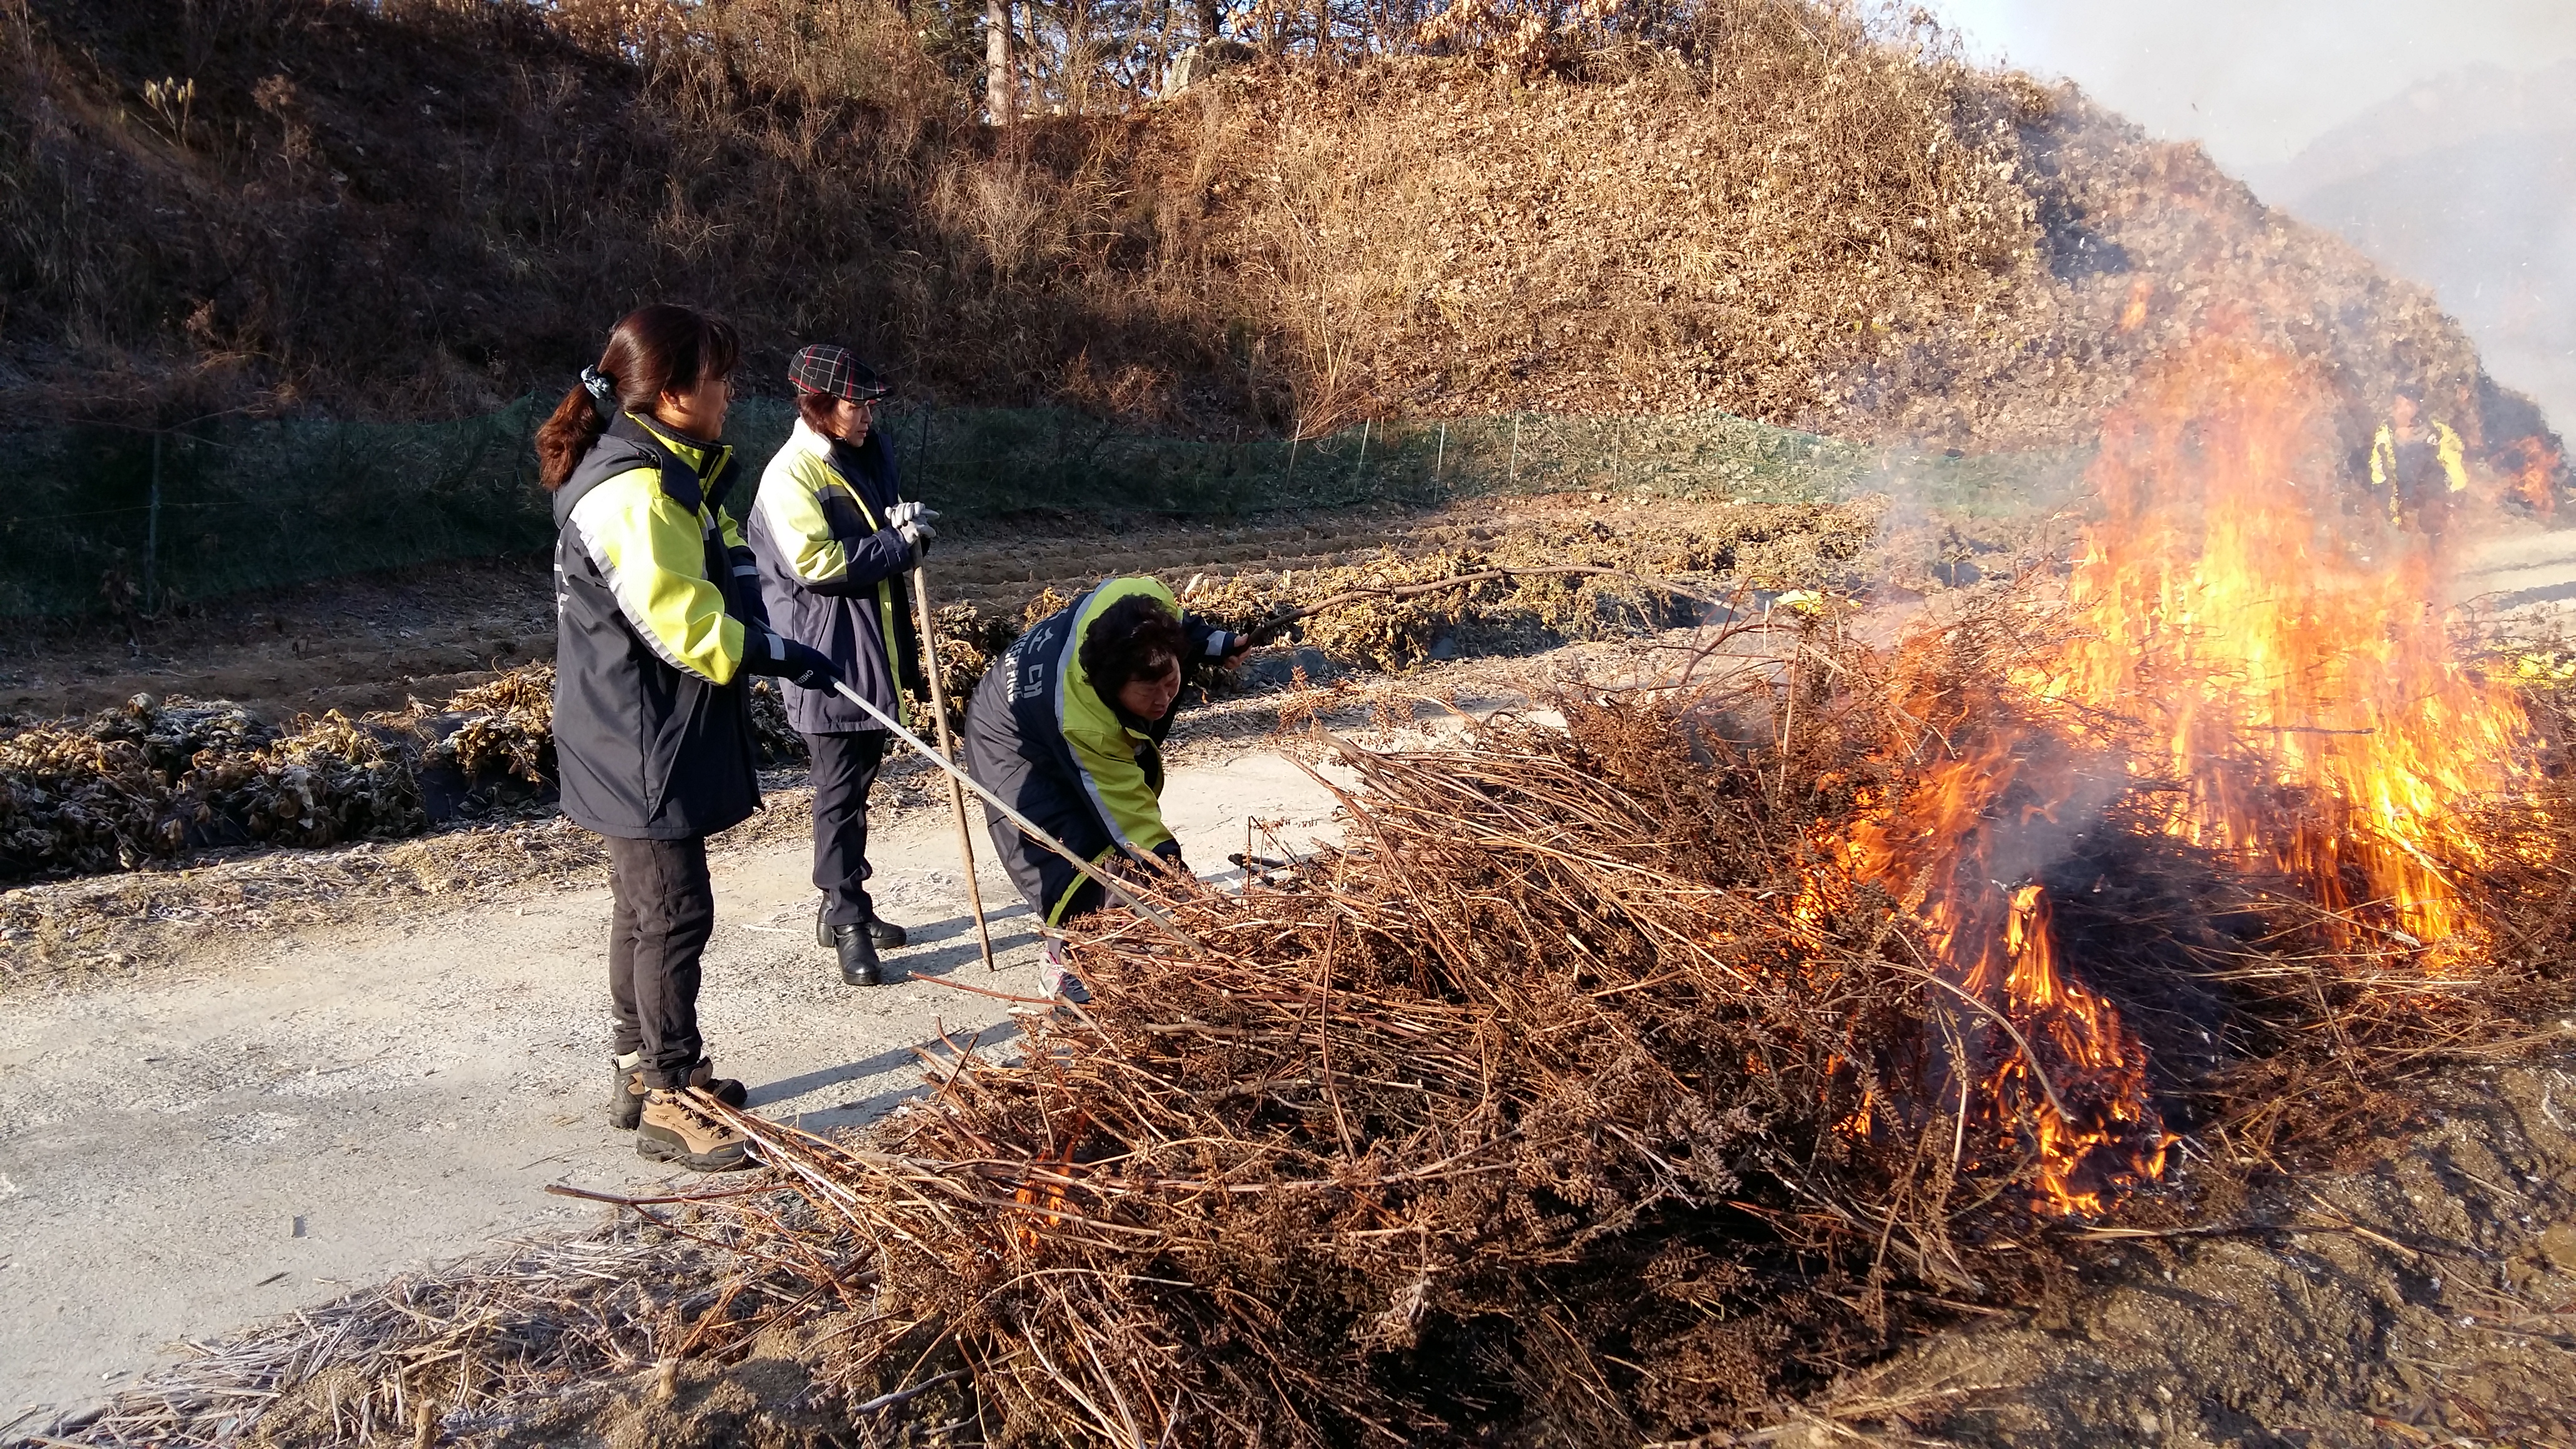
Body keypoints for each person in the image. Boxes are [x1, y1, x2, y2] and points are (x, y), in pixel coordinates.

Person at [535, 304, 842, 1173]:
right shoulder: (633, 488)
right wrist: (775, 651)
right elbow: (678, 622)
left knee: (643, 907)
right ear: (672, 393)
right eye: (720, 378)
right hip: (638, 737)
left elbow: (708, 549)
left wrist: (746, 583)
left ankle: (641, 1068)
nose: (731, 392)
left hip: (623, 727)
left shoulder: (658, 465)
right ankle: (671, 1097)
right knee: (674, 911)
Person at [746, 344, 939, 987]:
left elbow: (882, 528)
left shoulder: (867, 452)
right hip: (823, 654)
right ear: (820, 406)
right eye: (858, 406)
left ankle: (842, 905)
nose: (868, 417)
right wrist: (896, 544)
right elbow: (818, 565)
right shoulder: (791, 475)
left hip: (871, 645)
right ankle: (847, 919)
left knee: (855, 787)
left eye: (871, 406)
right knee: (838, 794)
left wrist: (906, 525)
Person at [962, 577, 1246, 1000]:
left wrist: (1210, 642)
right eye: (1148, 692)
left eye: (1170, 682)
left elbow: (1174, 624)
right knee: (1070, 854)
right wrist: (1178, 882)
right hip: (1007, 736)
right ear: (1112, 687)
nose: (1164, 700)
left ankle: (1127, 943)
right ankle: (1066, 962)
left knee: (1115, 850)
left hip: (1050, 705)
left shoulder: (1139, 598)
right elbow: (1131, 822)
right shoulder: (1086, 722)